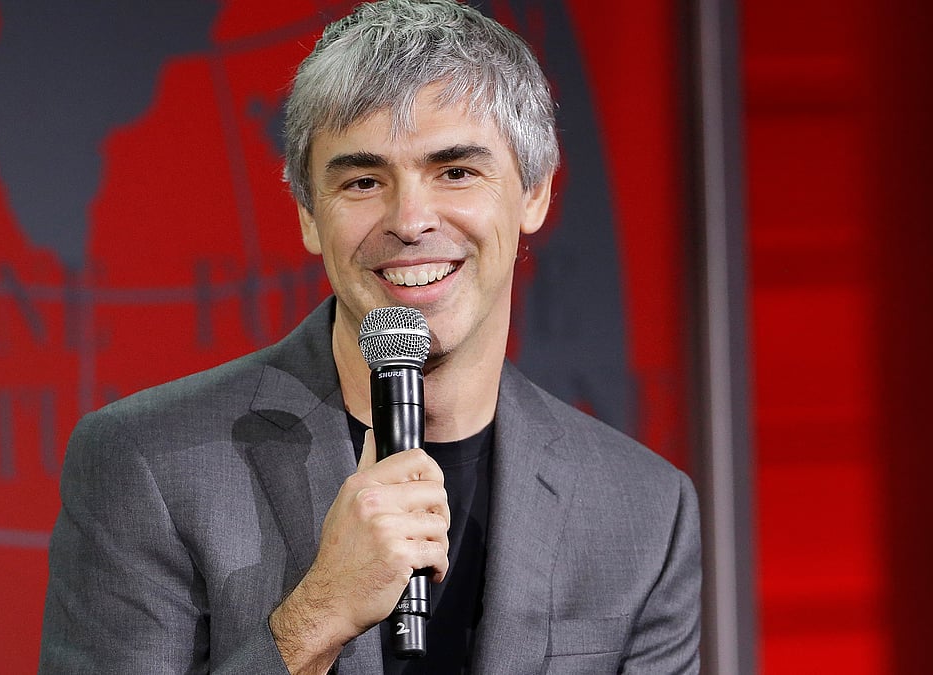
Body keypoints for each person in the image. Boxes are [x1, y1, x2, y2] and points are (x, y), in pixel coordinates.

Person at [38, 1, 701, 673]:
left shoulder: (644, 512)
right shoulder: (146, 463)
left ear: (533, 194)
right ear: (308, 215)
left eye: (456, 172)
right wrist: (318, 616)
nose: (410, 220)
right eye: (363, 180)